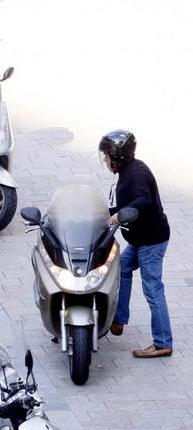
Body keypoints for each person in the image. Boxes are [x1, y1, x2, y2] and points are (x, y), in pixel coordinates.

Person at [100, 130, 172, 358]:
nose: (105, 160)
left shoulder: (137, 174)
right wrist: (100, 212)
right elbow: (128, 202)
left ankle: (162, 343)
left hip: (151, 242)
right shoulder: (128, 171)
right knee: (121, 267)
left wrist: (119, 216)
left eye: (107, 155)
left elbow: (143, 201)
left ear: (117, 155)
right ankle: (119, 320)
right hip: (141, 239)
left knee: (152, 288)